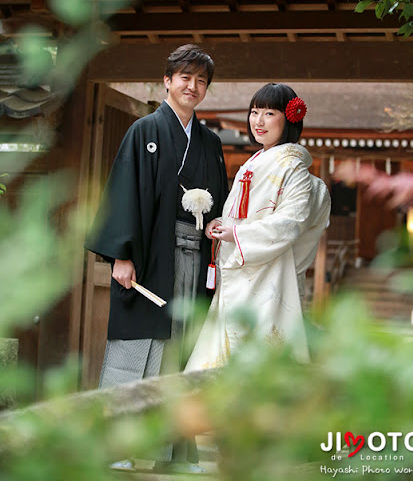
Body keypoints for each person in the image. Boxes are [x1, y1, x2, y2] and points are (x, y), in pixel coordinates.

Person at [85, 44, 228, 472]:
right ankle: (115, 447)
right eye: (185, 77)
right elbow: (125, 193)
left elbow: (219, 203)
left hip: (192, 259)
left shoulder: (210, 143)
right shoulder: (144, 131)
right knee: (134, 347)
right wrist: (121, 256)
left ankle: (172, 450)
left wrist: (217, 229)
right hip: (148, 259)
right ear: (167, 80)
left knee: (178, 349)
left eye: (201, 80)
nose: (193, 86)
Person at [185, 83, 331, 371]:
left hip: (270, 278)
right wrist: (222, 224)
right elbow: (241, 215)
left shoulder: (294, 170)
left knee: (257, 360)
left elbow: (291, 224)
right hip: (239, 273)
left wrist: (237, 233)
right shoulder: (253, 163)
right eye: (254, 112)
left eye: (269, 113)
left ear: (289, 118)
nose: (258, 121)